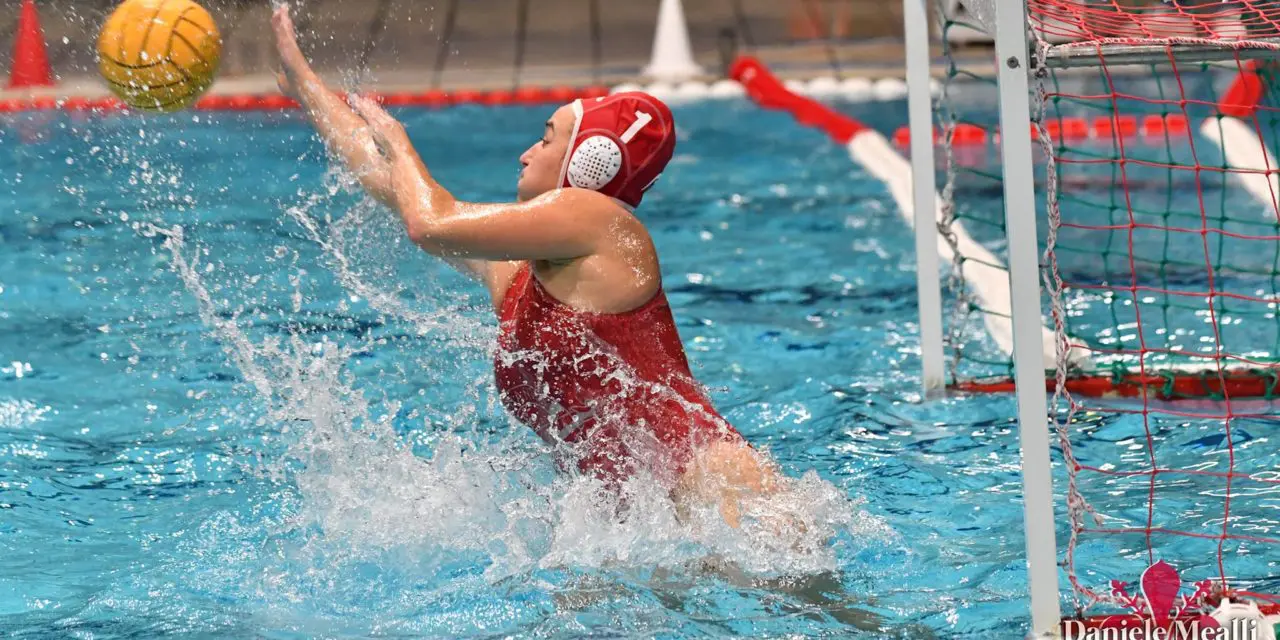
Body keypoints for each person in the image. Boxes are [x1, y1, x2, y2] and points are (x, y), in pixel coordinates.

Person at [270, 5, 783, 528]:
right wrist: (303, 81)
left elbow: (429, 224)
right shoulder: (520, 274)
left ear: (590, 163)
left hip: (722, 498)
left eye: (545, 138)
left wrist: (399, 141)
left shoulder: (598, 220)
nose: (524, 153)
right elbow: (388, 182)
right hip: (640, 525)